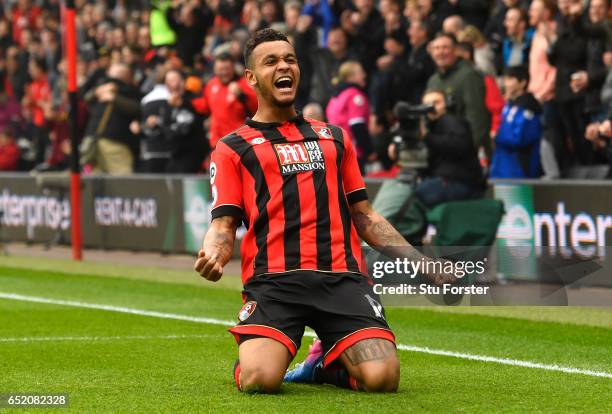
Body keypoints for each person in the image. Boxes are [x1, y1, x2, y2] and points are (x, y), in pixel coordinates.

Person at [194, 28, 456, 395]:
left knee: (383, 379)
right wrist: (215, 253)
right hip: (275, 283)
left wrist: (421, 262)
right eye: (271, 61)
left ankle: (325, 364)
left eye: (289, 59)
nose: (284, 66)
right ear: (251, 77)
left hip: (342, 280)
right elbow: (223, 223)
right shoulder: (232, 147)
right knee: (259, 380)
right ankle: (269, 354)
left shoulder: (333, 137)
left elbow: (364, 216)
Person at [413, 90, 485, 207]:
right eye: (426, 105)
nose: (431, 108)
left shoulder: (451, 120)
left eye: (436, 103)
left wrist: (427, 137)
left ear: (447, 104)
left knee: (412, 196)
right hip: (448, 181)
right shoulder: (430, 126)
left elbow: (460, 145)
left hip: (461, 183)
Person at [426, 32, 490, 155]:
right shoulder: (433, 80)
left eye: (445, 47)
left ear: (455, 50)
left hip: (465, 152)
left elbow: (477, 116)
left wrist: (471, 148)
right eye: (436, 48)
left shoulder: (469, 75)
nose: (440, 52)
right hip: (443, 149)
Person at [192, 53, 258, 149]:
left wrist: (241, 96)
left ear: (232, 69)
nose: (223, 73)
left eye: (226, 69)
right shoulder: (211, 84)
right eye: (220, 70)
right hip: (217, 143)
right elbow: (205, 107)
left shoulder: (244, 84)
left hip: (240, 143)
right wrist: (187, 101)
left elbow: (257, 109)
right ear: (214, 70)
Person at [491, 66, 543, 178]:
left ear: (523, 82)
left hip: (519, 170)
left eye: (510, 79)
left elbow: (520, 138)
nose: (506, 83)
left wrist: (496, 136)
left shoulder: (529, 108)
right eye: (505, 79)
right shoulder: (509, 106)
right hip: (502, 167)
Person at [326, 60, 373, 171]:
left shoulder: (335, 97)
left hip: (336, 151)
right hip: (352, 152)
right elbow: (357, 126)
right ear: (350, 77)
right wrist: (369, 151)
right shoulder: (355, 95)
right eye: (360, 72)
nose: (364, 75)